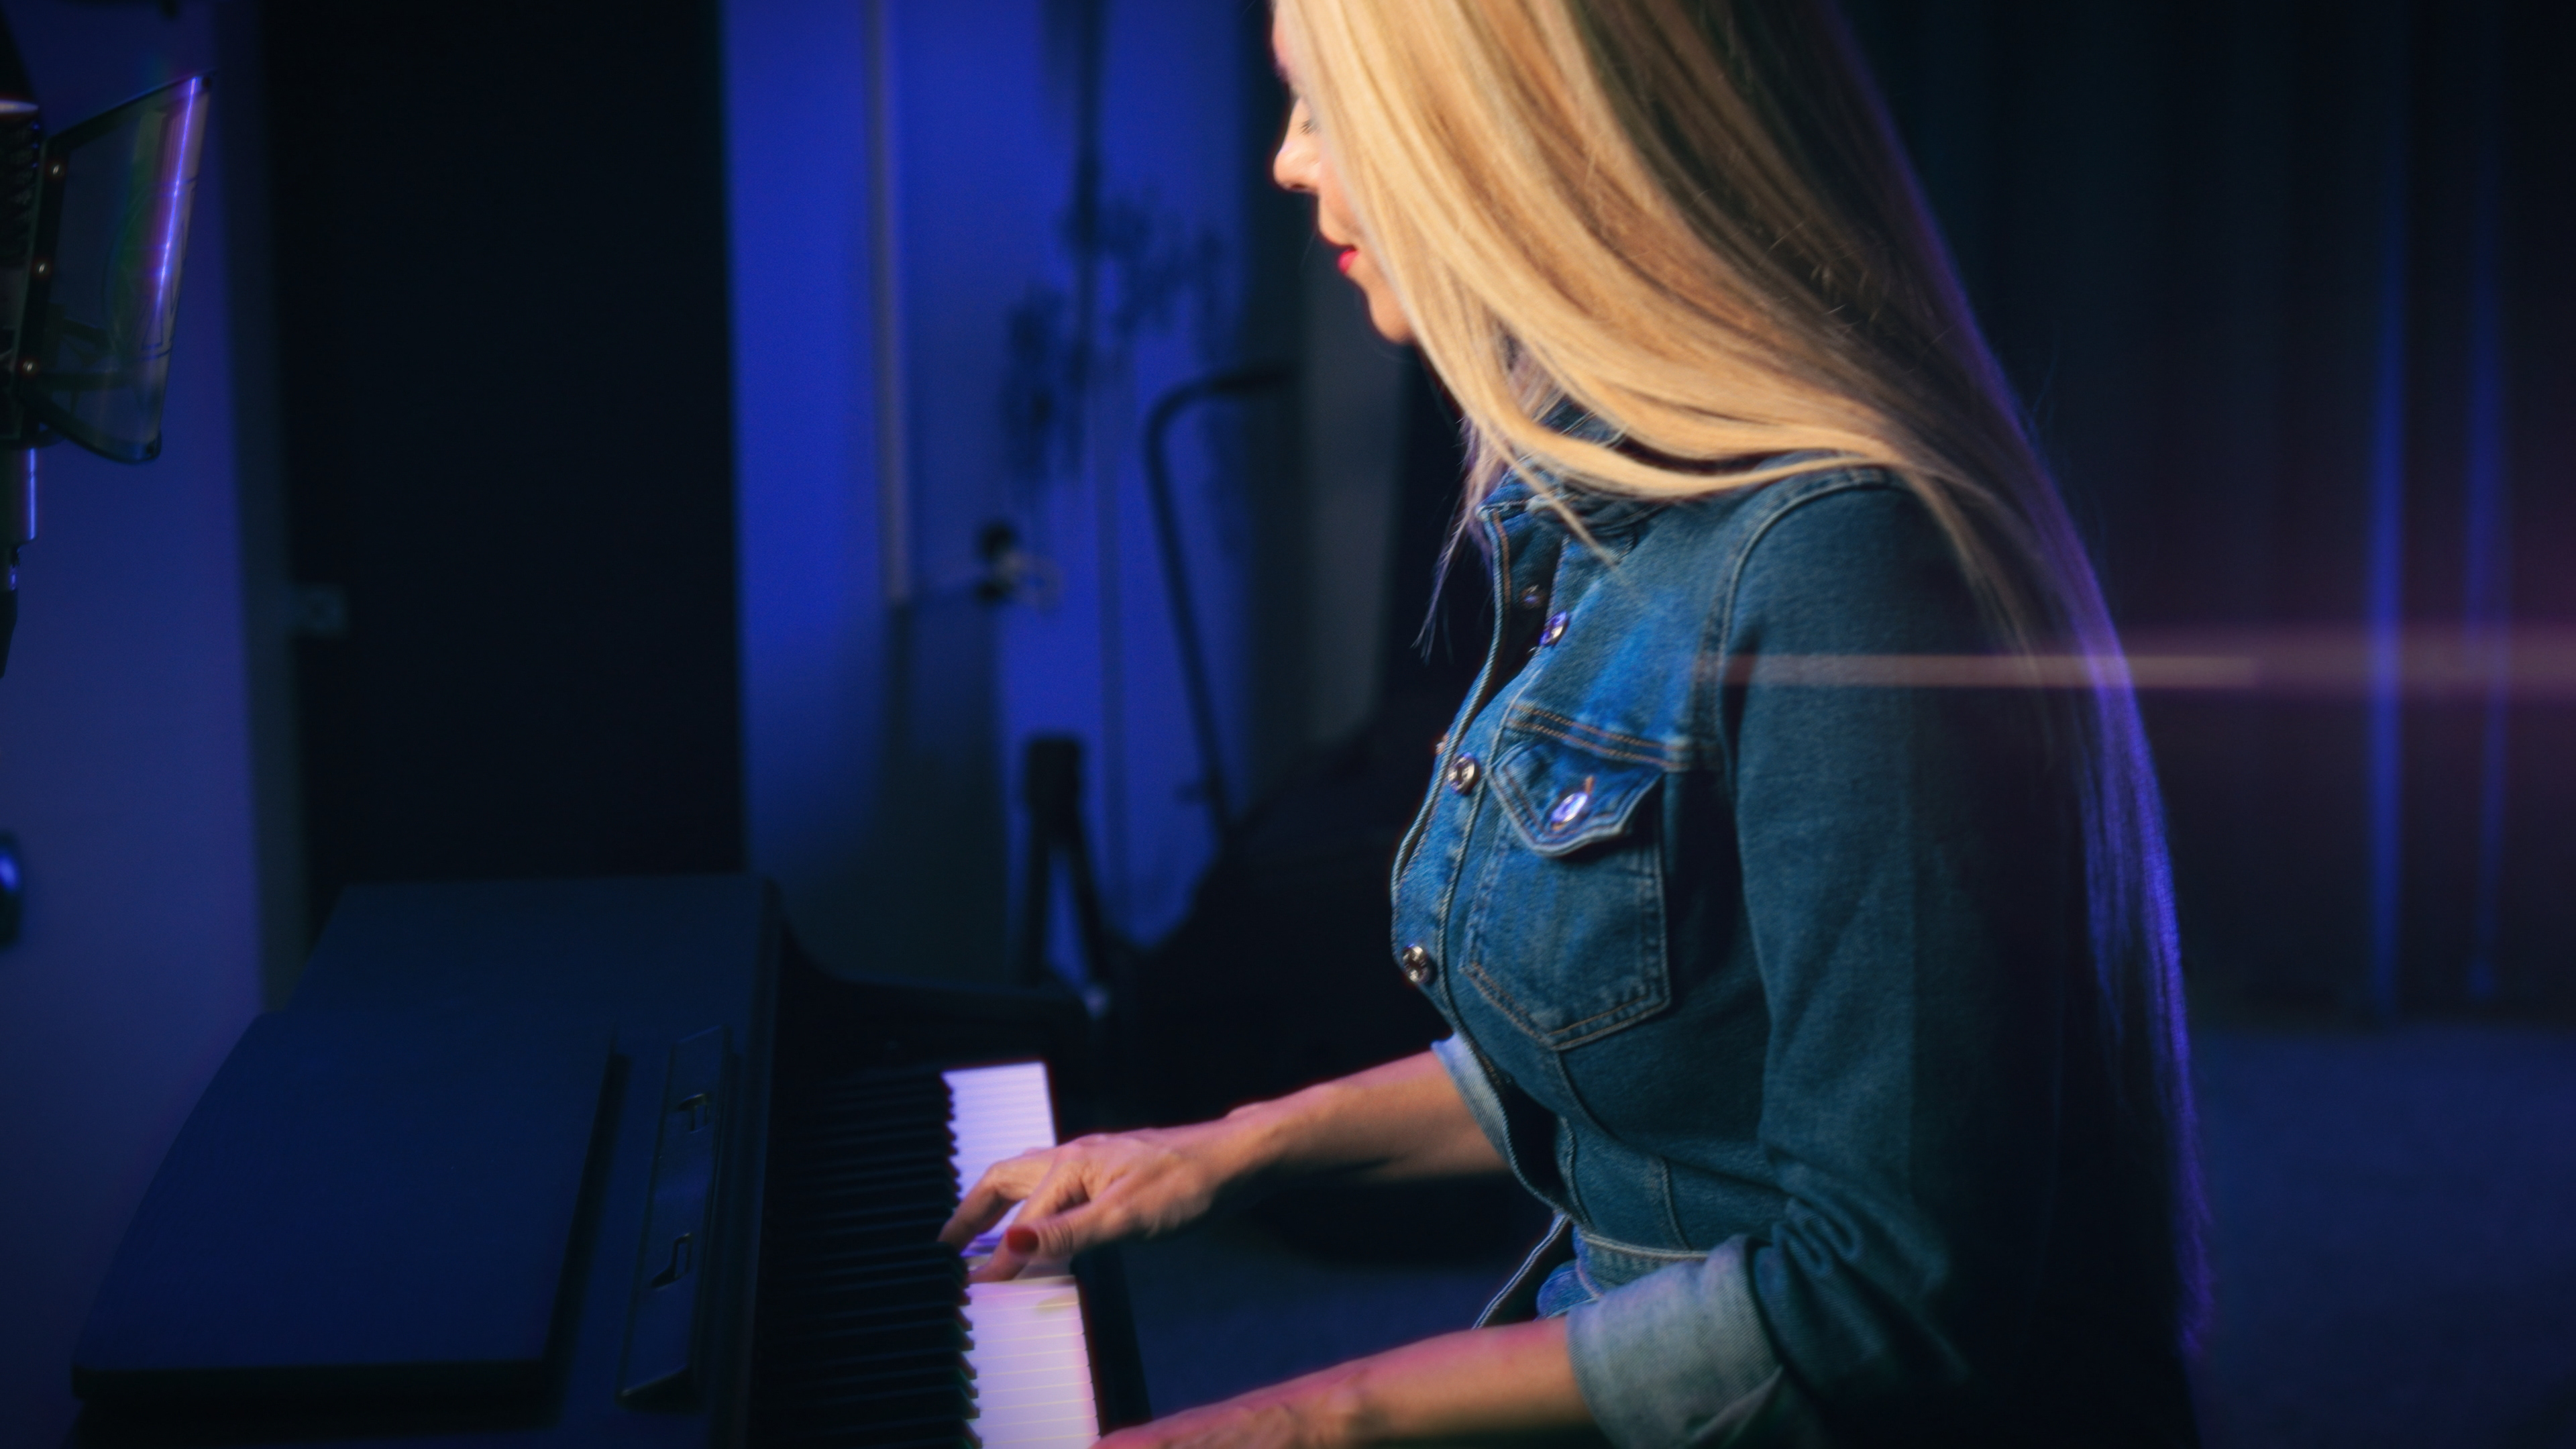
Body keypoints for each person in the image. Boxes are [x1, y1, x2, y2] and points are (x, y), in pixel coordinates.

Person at [940, 1, 2204, 1444]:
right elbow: (1639, 1040)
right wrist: (1223, 1153)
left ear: (1521, 130)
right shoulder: (1613, 508)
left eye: (1327, 103)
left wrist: (1300, 1421)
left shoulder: (1834, 561)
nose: (1287, 161)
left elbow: (1888, 1300)